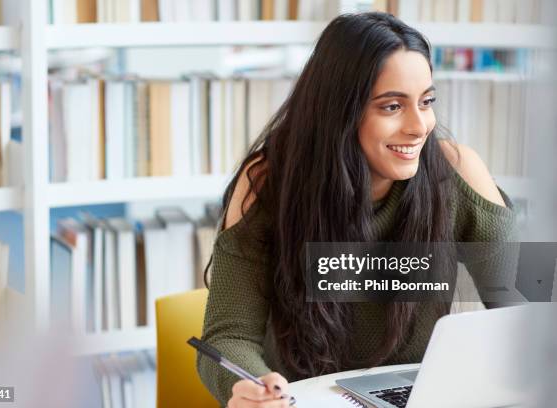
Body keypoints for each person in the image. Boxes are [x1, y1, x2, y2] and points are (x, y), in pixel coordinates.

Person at [197, 12, 516, 408]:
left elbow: (528, 311)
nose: (420, 126)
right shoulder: (267, 183)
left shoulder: (457, 172)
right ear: (340, 111)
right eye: (391, 107)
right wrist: (249, 386)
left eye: (427, 102)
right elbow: (228, 336)